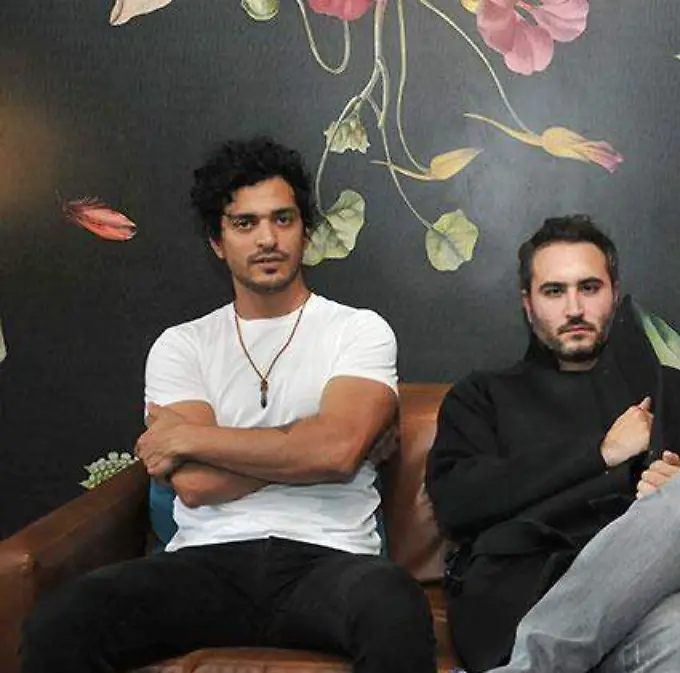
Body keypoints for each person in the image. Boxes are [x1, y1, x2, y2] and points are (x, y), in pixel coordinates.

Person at [20, 137, 436, 673]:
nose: (267, 238)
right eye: (245, 223)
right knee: (61, 622)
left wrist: (194, 437)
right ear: (217, 242)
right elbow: (198, 484)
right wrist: (315, 446)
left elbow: (335, 451)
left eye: (283, 219)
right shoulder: (181, 346)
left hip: (331, 560)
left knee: (396, 609)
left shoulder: (358, 330)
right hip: (206, 562)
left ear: (305, 231)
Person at [425, 215, 680, 672]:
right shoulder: (483, 395)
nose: (574, 308)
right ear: (528, 304)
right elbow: (456, 501)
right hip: (523, 600)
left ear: (614, 293)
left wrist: (679, 492)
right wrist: (600, 454)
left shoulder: (673, 394)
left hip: (655, 603)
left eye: (589, 288)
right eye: (554, 291)